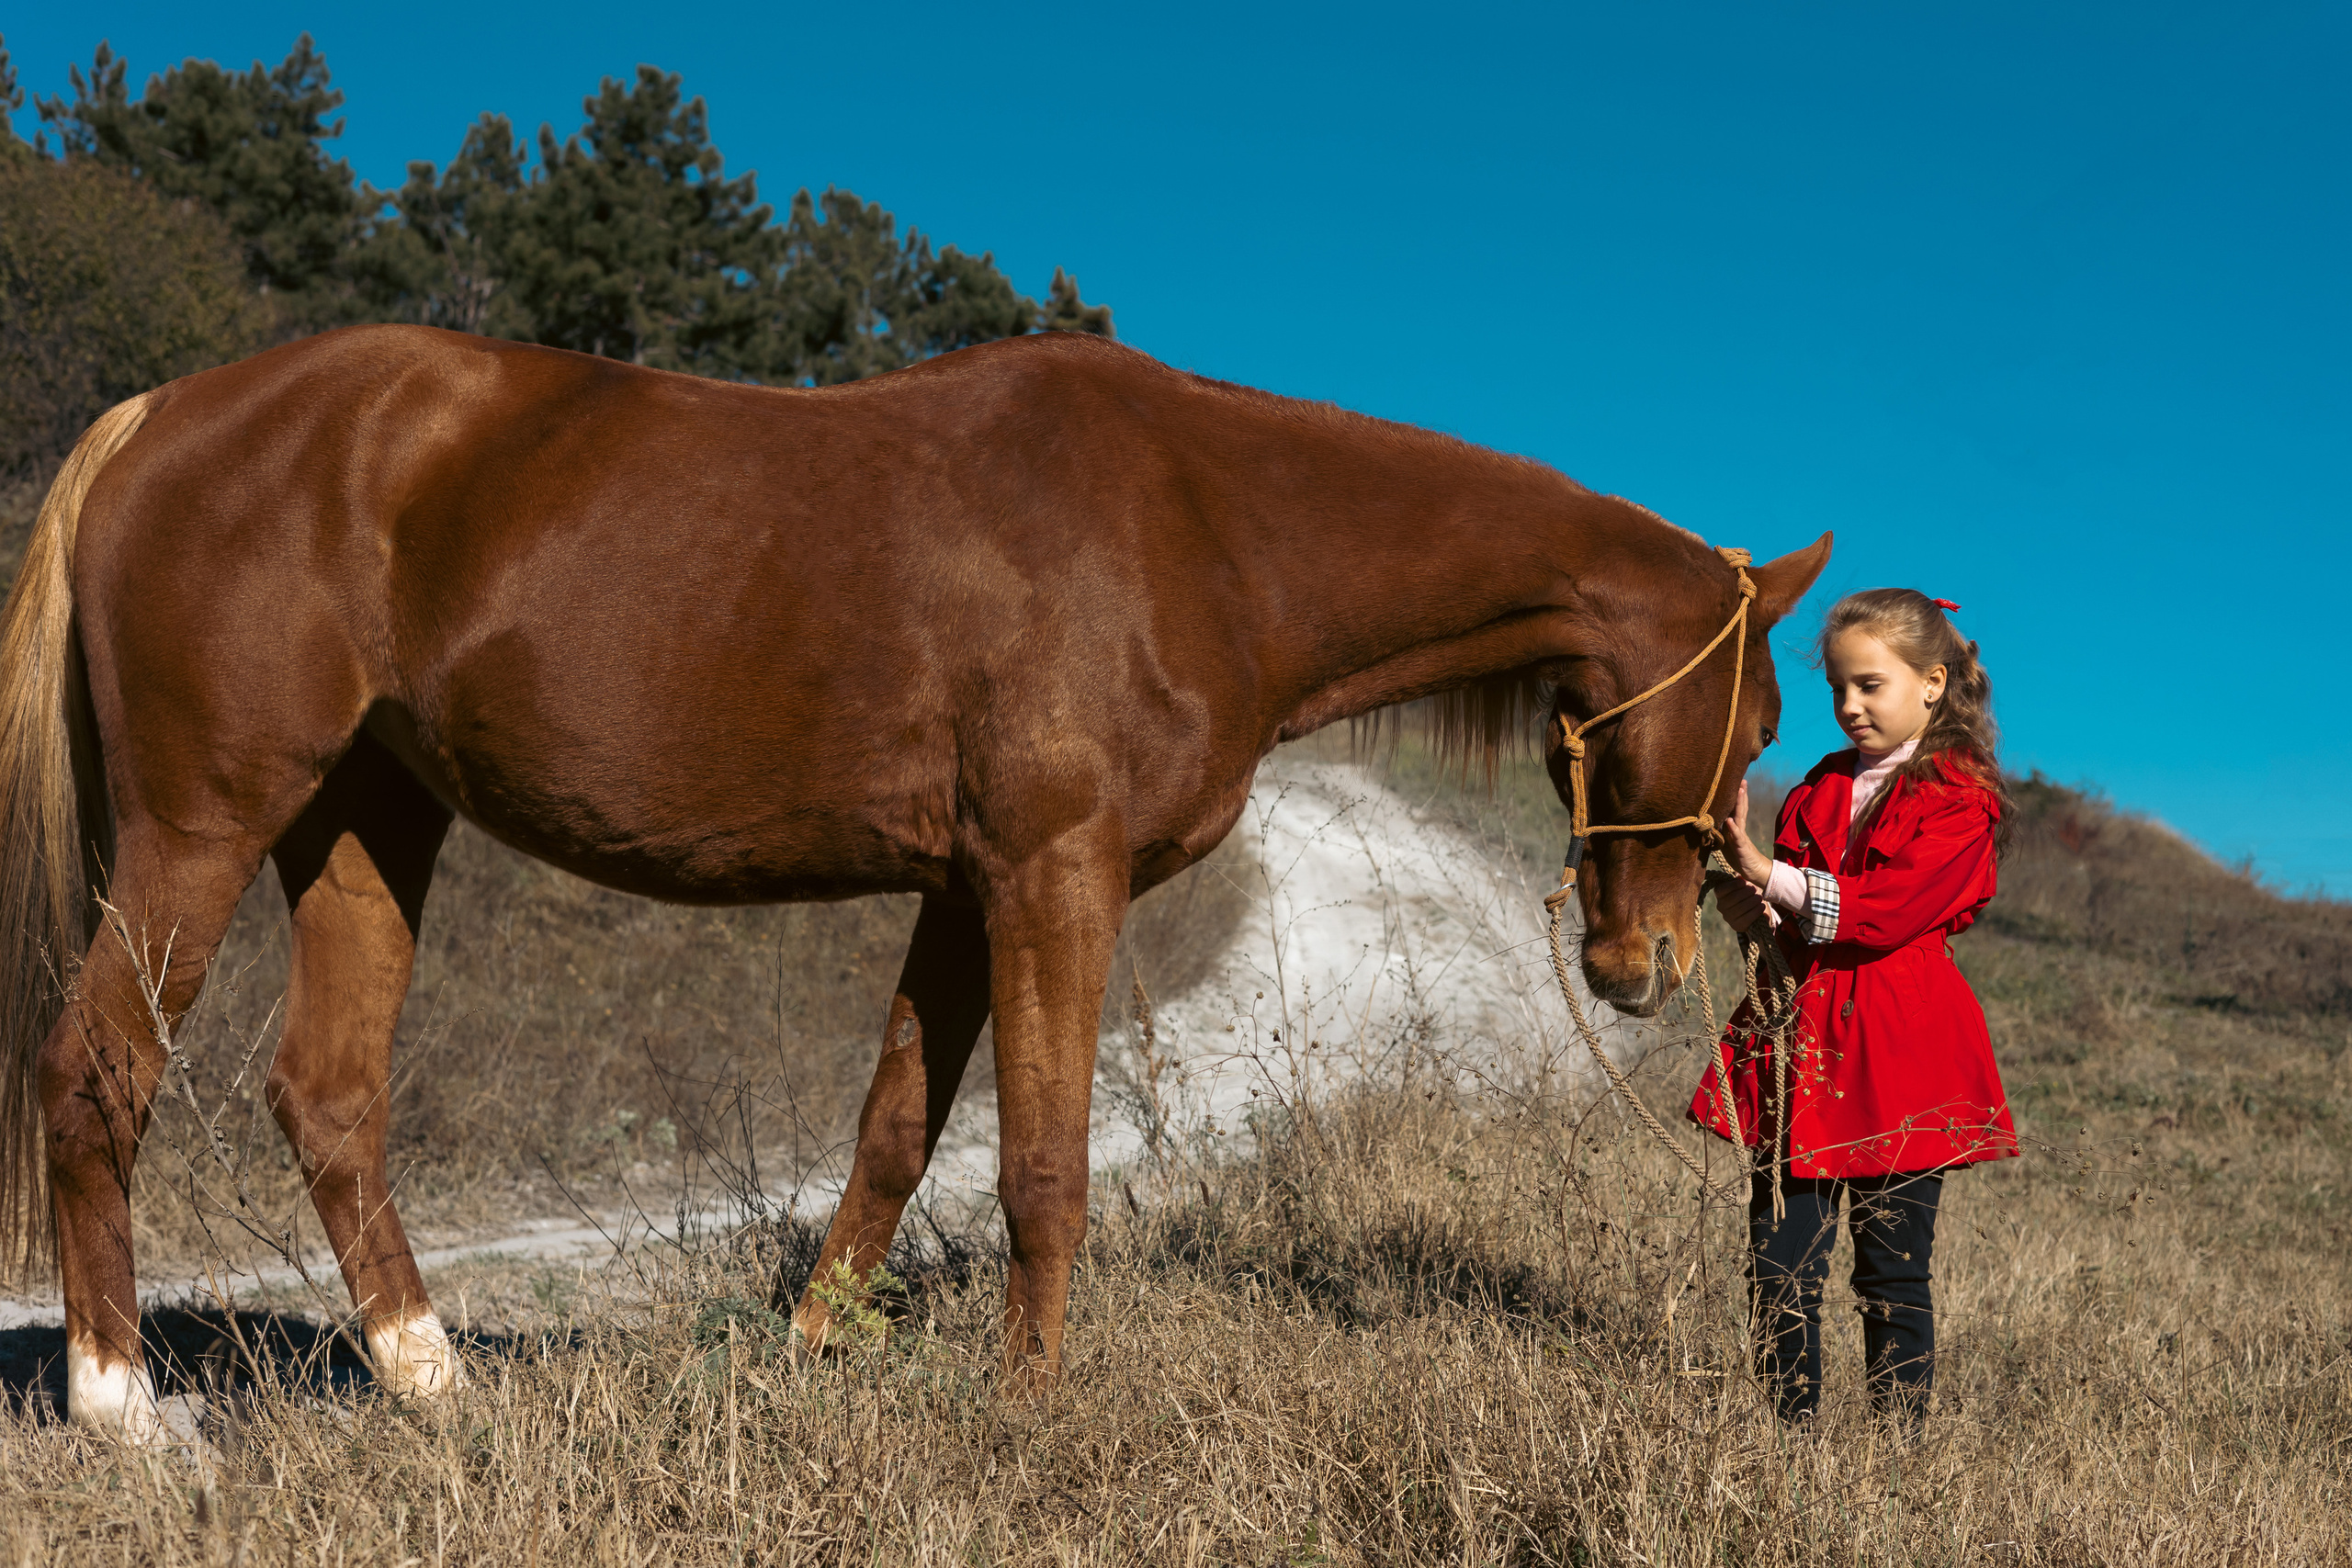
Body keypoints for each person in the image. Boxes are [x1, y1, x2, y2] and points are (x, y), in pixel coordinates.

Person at [1690, 588, 2017, 1434]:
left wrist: (1768, 874)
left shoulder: (1960, 796)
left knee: (1892, 1270)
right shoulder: (1818, 787)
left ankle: (1895, 1463)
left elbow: (1881, 912)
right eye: (1838, 687)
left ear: (1935, 683)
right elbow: (1802, 927)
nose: (1849, 706)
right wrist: (1745, 896)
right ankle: (1785, 1444)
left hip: (1901, 1049)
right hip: (1801, 1038)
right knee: (1777, 1264)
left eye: (1871, 684)